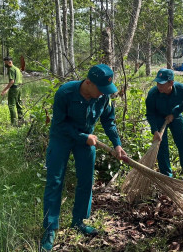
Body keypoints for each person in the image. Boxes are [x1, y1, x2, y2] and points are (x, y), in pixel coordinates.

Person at [41, 64, 127, 252]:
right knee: (55, 181)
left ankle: (78, 221)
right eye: (100, 89)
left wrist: (117, 144)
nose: (103, 93)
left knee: (87, 180)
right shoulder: (65, 93)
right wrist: (83, 137)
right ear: (88, 82)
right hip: (62, 138)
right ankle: (49, 228)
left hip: (87, 140)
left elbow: (108, 121)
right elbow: (59, 124)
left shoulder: (103, 96)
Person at [145, 68, 183, 177]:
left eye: (162, 83)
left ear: (171, 83)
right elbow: (150, 114)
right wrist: (155, 130)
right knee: (161, 146)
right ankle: (166, 174)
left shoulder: (182, 89)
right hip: (159, 118)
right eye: (157, 83)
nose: (159, 86)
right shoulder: (152, 94)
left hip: (175, 115)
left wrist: (175, 113)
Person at [1, 57, 24, 126]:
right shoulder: (17, 69)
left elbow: (12, 81)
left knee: (12, 105)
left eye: (5, 63)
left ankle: (13, 123)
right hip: (19, 88)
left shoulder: (11, 69)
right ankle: (21, 121)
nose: (5, 64)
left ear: (9, 62)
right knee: (19, 104)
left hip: (14, 89)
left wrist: (5, 90)